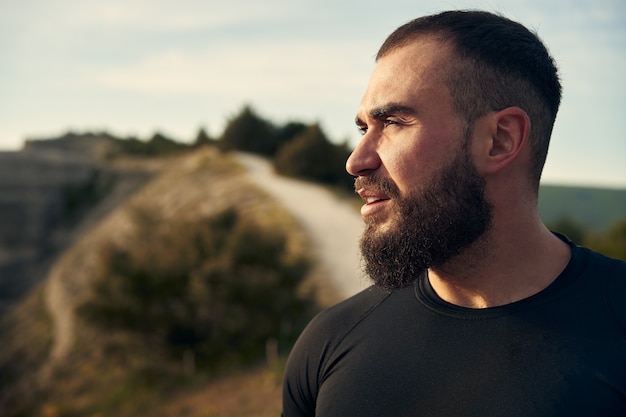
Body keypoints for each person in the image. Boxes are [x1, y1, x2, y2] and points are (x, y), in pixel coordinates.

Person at [282, 10, 626, 417]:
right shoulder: (330, 340)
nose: (356, 161)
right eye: (364, 129)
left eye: (392, 122)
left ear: (499, 140)